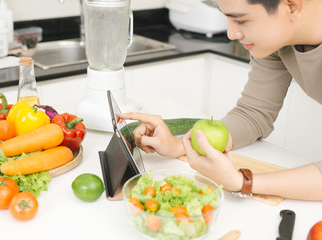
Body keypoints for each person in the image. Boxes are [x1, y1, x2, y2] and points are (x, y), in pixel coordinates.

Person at [119, 0, 322, 201]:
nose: (231, 34)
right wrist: (183, 145)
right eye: (227, 18)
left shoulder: (273, 34)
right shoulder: (275, 40)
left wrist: (242, 182)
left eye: (241, 20)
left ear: (292, 7)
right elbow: (253, 114)